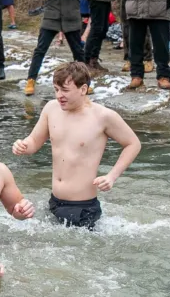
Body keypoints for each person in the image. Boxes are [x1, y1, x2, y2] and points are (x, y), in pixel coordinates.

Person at [12, 62, 141, 229]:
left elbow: (133, 144)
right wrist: (22, 145)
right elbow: (34, 142)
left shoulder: (103, 116)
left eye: (65, 90)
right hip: (54, 202)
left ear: (83, 89)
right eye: (56, 89)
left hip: (83, 208)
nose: (59, 96)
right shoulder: (51, 109)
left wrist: (111, 176)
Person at [24, 0, 85, 95]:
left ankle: (85, 82)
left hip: (71, 13)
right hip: (51, 13)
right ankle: (31, 80)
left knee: (78, 52)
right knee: (40, 49)